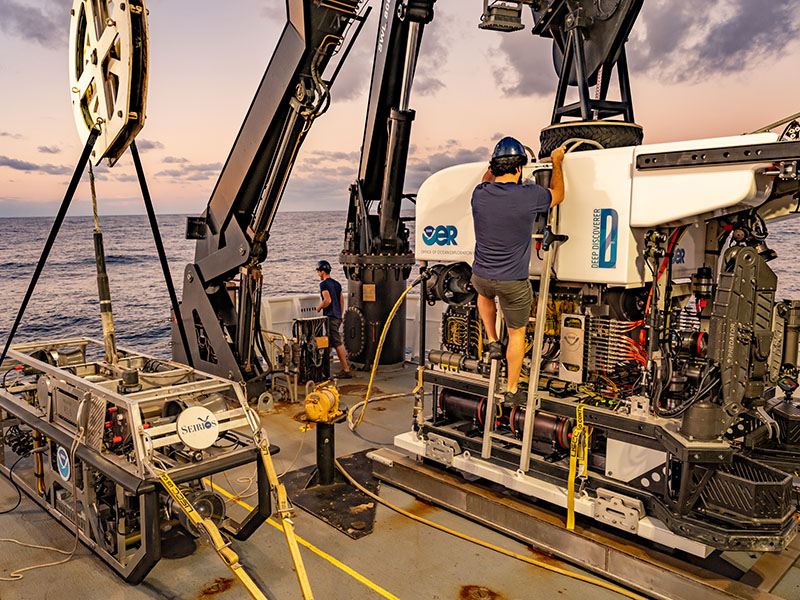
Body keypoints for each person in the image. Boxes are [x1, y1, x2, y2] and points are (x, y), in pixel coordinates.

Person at [471, 137, 565, 405]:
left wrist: (494, 166)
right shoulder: (529, 196)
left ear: (494, 166)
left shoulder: (480, 194)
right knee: (517, 333)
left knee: (483, 293)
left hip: (481, 277)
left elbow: (485, 178)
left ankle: (491, 340)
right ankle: (512, 388)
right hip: (512, 282)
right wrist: (557, 162)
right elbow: (558, 194)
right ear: (520, 168)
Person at [315, 259, 353, 378]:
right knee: (329, 343)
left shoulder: (324, 284)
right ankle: (321, 367)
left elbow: (328, 300)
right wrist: (340, 315)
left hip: (330, 317)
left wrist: (319, 307)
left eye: (318, 271)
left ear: (322, 271)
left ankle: (346, 370)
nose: (318, 274)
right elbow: (341, 301)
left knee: (337, 342)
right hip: (337, 316)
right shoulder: (337, 284)